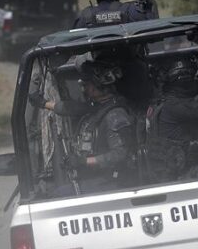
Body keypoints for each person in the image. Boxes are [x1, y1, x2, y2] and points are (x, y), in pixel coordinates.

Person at [28, 54, 136, 194]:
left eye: (86, 83)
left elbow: (120, 154)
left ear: (97, 85)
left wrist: (84, 162)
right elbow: (72, 108)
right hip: (98, 179)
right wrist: (43, 103)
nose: (83, 87)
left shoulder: (115, 115)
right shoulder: (98, 106)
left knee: (58, 194)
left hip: (111, 182)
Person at [146, 50, 198, 181]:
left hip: (178, 169)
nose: (194, 80)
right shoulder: (175, 106)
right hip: (185, 173)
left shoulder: (168, 99)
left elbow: (192, 88)